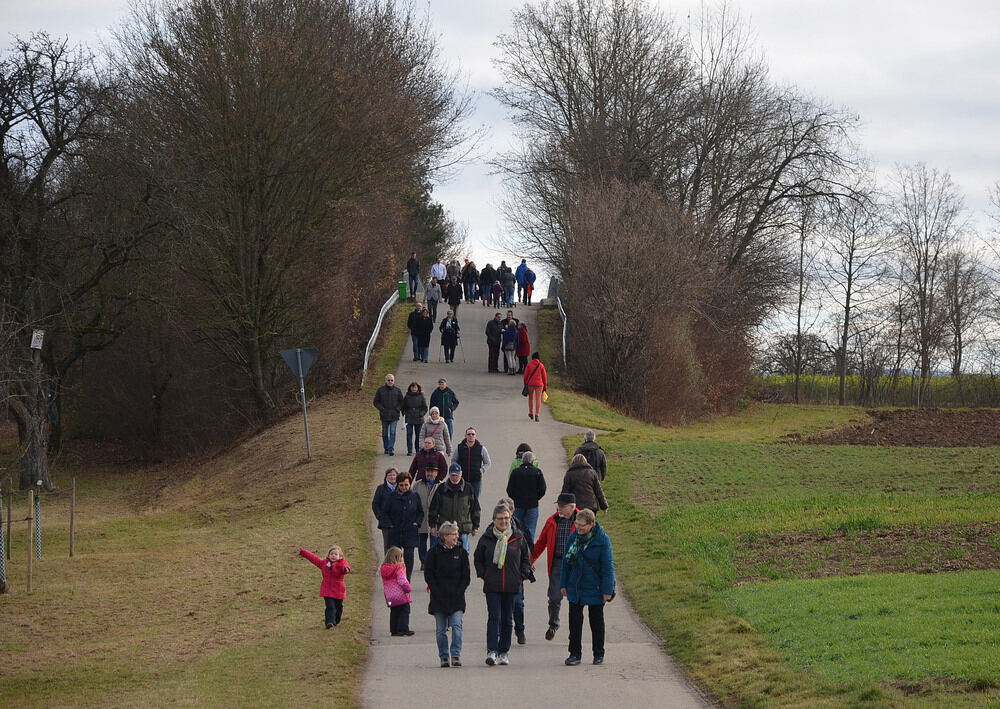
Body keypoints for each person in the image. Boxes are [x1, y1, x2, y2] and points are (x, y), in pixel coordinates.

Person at [474, 504, 534, 666]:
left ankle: (503, 652)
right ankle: (491, 650)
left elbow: (526, 560)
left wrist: (521, 576)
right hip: (493, 585)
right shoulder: (487, 538)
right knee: (494, 617)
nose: (504, 521)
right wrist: (484, 575)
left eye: (506, 518)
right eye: (500, 518)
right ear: (494, 520)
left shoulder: (518, 537)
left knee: (508, 619)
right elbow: (478, 558)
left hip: (512, 585)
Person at [560, 508, 615, 665]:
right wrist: (563, 584)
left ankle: (598, 653)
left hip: (595, 587)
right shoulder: (573, 538)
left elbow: (608, 567)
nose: (578, 528)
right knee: (574, 622)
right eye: (577, 524)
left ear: (592, 524)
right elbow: (566, 562)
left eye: (582, 525)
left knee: (596, 621)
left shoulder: (602, 541)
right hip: (576, 587)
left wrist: (607, 590)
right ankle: (574, 654)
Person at [532, 493, 578, 640]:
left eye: (563, 507)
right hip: (558, 563)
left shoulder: (582, 521)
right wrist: (530, 559)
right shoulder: (552, 521)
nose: (560, 509)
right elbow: (541, 542)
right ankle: (553, 624)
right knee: (554, 597)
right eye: (559, 506)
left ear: (572, 507)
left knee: (575, 600)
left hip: (576, 565)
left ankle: (574, 632)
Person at [425, 520, 470, 667]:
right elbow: (429, 575)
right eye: (453, 534)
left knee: (457, 626)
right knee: (440, 630)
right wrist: (436, 591)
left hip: (456, 597)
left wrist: (459, 590)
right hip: (439, 597)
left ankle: (456, 654)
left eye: (457, 534)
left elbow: (466, 576)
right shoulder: (434, 553)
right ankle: (444, 656)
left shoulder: (462, 553)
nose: (457, 537)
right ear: (444, 536)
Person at [380, 471, 423, 581]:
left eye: (406, 485)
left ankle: (407, 579)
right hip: (395, 531)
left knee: (409, 556)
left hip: (410, 532)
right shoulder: (391, 497)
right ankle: (394, 579)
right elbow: (385, 512)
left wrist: (417, 522)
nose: (404, 487)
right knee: (394, 557)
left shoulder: (415, 496)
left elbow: (420, 512)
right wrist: (389, 524)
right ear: (398, 485)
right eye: (401, 485)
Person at [428, 463, 481, 552]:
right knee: (444, 552)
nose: (455, 477)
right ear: (449, 475)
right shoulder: (441, 489)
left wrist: (476, 526)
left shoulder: (468, 488)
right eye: (453, 475)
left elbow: (475, 508)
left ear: (461, 474)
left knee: (464, 552)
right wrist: (432, 526)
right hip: (446, 529)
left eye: (457, 475)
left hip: (463, 528)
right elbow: (433, 508)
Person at [298, 544, 352, 628]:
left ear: (340, 556)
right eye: (331, 554)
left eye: (335, 554)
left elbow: (345, 567)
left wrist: (346, 569)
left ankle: (336, 620)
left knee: (338, 607)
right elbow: (314, 558)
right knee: (330, 607)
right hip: (327, 591)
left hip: (339, 591)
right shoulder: (324, 564)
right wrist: (304, 552)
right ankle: (329, 622)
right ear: (328, 555)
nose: (333, 556)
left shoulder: (341, 564)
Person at [506, 451, 546, 542]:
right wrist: (536, 497)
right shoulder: (537, 472)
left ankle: (518, 550)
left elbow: (509, 489)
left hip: (519, 504)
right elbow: (543, 488)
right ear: (532, 461)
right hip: (532, 505)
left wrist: (515, 498)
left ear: (522, 461)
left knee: (517, 530)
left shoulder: (515, 472)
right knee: (530, 530)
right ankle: (529, 552)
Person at [413, 463, 442, 569]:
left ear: (437, 473)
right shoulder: (417, 485)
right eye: (428, 471)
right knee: (422, 542)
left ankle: (433, 561)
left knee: (435, 542)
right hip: (422, 518)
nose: (430, 474)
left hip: (435, 519)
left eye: (432, 471)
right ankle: (424, 562)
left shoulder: (441, 486)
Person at [381, 546, 414, 636]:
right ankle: (403, 629)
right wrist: (408, 589)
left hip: (390, 596)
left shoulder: (384, 568)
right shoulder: (398, 568)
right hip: (400, 595)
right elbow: (402, 581)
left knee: (394, 612)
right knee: (404, 611)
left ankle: (394, 630)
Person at [452, 427, 491, 499]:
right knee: (461, 499)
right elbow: (454, 460)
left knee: (475, 500)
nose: (471, 436)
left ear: (476, 436)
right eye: (469, 434)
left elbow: (488, 463)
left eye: (473, 434)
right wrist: (457, 471)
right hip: (462, 479)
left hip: (476, 480)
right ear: (465, 436)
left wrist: (481, 470)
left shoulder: (481, 449)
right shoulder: (459, 448)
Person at [373, 373, 404, 455]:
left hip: (394, 415)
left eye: (392, 380)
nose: (390, 381)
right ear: (385, 381)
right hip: (384, 415)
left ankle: (391, 448)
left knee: (393, 431)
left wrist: (397, 409)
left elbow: (402, 402)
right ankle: (386, 447)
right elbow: (376, 402)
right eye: (389, 380)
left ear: (394, 381)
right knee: (384, 433)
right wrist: (381, 409)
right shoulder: (380, 390)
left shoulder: (397, 390)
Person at [372, 468, 398, 552]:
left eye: (394, 475)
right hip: (386, 522)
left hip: (398, 522)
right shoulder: (381, 488)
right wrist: (380, 516)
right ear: (386, 477)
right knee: (387, 545)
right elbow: (375, 504)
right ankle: (388, 564)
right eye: (390, 475)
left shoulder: (401, 487)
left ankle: (398, 564)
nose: (392, 477)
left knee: (398, 545)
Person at [402, 382, 428, 456]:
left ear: (417, 388)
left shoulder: (421, 396)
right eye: (412, 387)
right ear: (410, 388)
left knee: (419, 435)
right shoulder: (407, 396)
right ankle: (409, 450)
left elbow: (425, 408)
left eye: (415, 387)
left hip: (419, 418)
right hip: (409, 417)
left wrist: (421, 414)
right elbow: (403, 406)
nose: (414, 389)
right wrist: (404, 413)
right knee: (409, 435)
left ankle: (418, 450)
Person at [523, 352, 548, 421]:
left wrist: (525, 383)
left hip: (530, 384)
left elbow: (525, 375)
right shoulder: (541, 365)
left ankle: (531, 412)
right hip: (539, 385)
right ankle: (537, 414)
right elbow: (544, 377)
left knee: (530, 398)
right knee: (538, 399)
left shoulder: (529, 365)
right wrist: (545, 387)